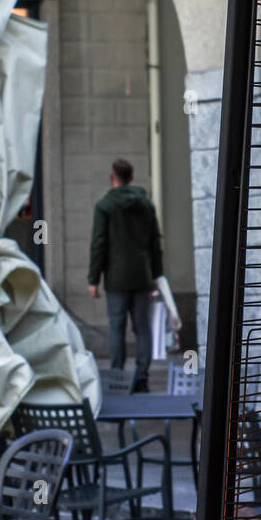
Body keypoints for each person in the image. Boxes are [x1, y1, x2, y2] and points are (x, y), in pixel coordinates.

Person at [88, 158, 164, 392]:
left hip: (117, 278)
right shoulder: (146, 205)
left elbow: (99, 244)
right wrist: (157, 276)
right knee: (142, 327)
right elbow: (155, 243)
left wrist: (94, 279)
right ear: (131, 177)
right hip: (142, 276)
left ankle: (118, 378)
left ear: (113, 177)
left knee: (117, 327)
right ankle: (142, 378)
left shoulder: (104, 206)